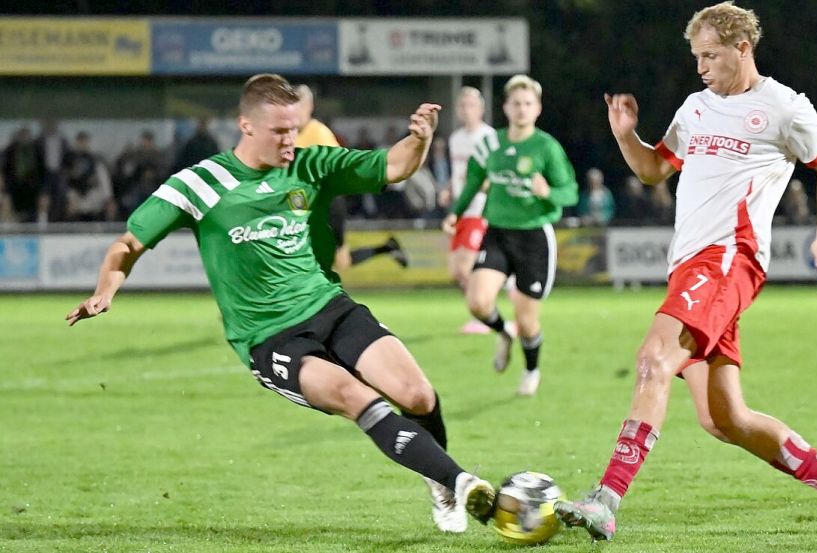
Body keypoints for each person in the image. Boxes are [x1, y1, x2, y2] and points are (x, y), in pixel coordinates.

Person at [66, 74, 495, 534]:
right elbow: (129, 244)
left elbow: (392, 167)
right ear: (246, 126)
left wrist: (419, 139)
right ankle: (461, 481)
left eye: (294, 129)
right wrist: (106, 290)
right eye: (278, 131)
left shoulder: (310, 166)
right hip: (270, 338)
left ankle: (444, 485)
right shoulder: (200, 184)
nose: (290, 140)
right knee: (358, 398)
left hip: (329, 306)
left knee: (419, 396)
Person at [554, 3, 817, 541]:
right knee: (723, 419)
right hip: (690, 267)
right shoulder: (695, 108)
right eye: (696, 57)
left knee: (652, 360)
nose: (701, 67)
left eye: (710, 55)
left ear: (743, 48)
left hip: (728, 260)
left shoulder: (784, 108)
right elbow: (653, 169)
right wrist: (626, 136)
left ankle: (605, 497)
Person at [442, 75, 578, 396]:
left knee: (527, 320)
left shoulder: (546, 147)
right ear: (505, 107)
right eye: (516, 103)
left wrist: (549, 193)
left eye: (528, 103)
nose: (521, 109)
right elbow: (473, 180)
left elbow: (570, 191)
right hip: (498, 233)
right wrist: (455, 213)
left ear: (538, 109)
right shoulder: (491, 144)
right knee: (477, 302)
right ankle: (503, 333)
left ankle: (531, 369)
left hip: (534, 239)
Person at [294, 84, 407, 273]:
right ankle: (386, 248)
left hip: (328, 203)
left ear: (309, 106)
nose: (296, 111)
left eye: (300, 105)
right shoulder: (293, 134)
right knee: (340, 261)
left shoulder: (319, 133)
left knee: (327, 258)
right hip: (306, 202)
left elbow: (339, 166)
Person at [439, 87, 498, 334]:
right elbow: (460, 174)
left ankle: (486, 311)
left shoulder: (489, 137)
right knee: (456, 271)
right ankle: (482, 309)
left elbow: (495, 172)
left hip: (480, 210)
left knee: (465, 268)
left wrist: (483, 188)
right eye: (462, 105)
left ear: (481, 108)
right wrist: (449, 189)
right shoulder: (456, 139)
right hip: (461, 210)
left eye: (471, 105)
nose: (466, 109)